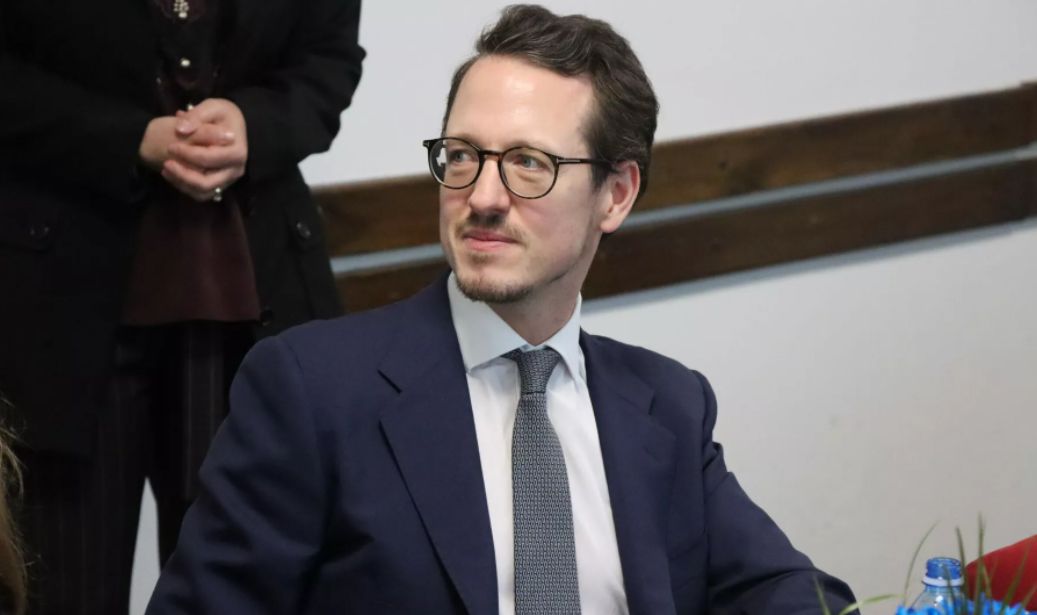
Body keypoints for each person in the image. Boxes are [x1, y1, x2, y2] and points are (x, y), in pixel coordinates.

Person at [146, 5, 856, 614]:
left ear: (615, 194)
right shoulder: (313, 392)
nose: (482, 197)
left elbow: (789, 592)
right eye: (462, 156)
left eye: (528, 164)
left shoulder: (667, 404)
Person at [0, 1, 363, 613]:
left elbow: (330, 60)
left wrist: (255, 124)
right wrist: (128, 137)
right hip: (58, 309)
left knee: (243, 589)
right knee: (62, 586)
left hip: (256, 296)